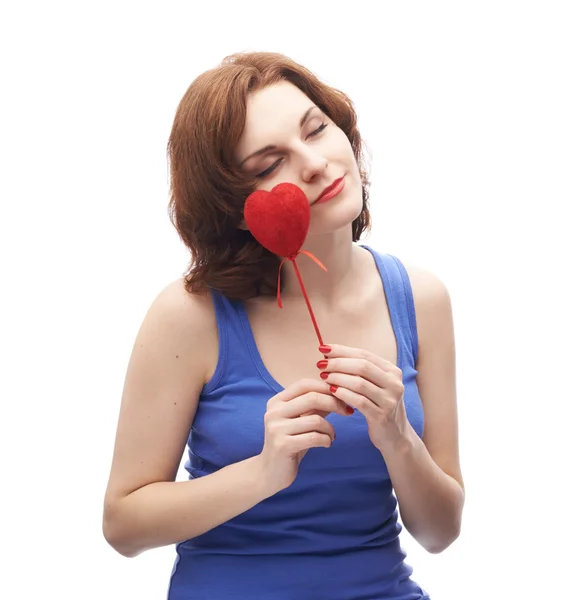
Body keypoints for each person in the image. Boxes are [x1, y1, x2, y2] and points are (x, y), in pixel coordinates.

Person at [102, 51, 465, 600]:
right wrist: (263, 472)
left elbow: (440, 532)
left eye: (316, 129)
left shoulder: (422, 299)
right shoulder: (190, 316)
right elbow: (123, 526)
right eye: (268, 165)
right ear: (232, 204)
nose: (315, 163)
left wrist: (399, 440)